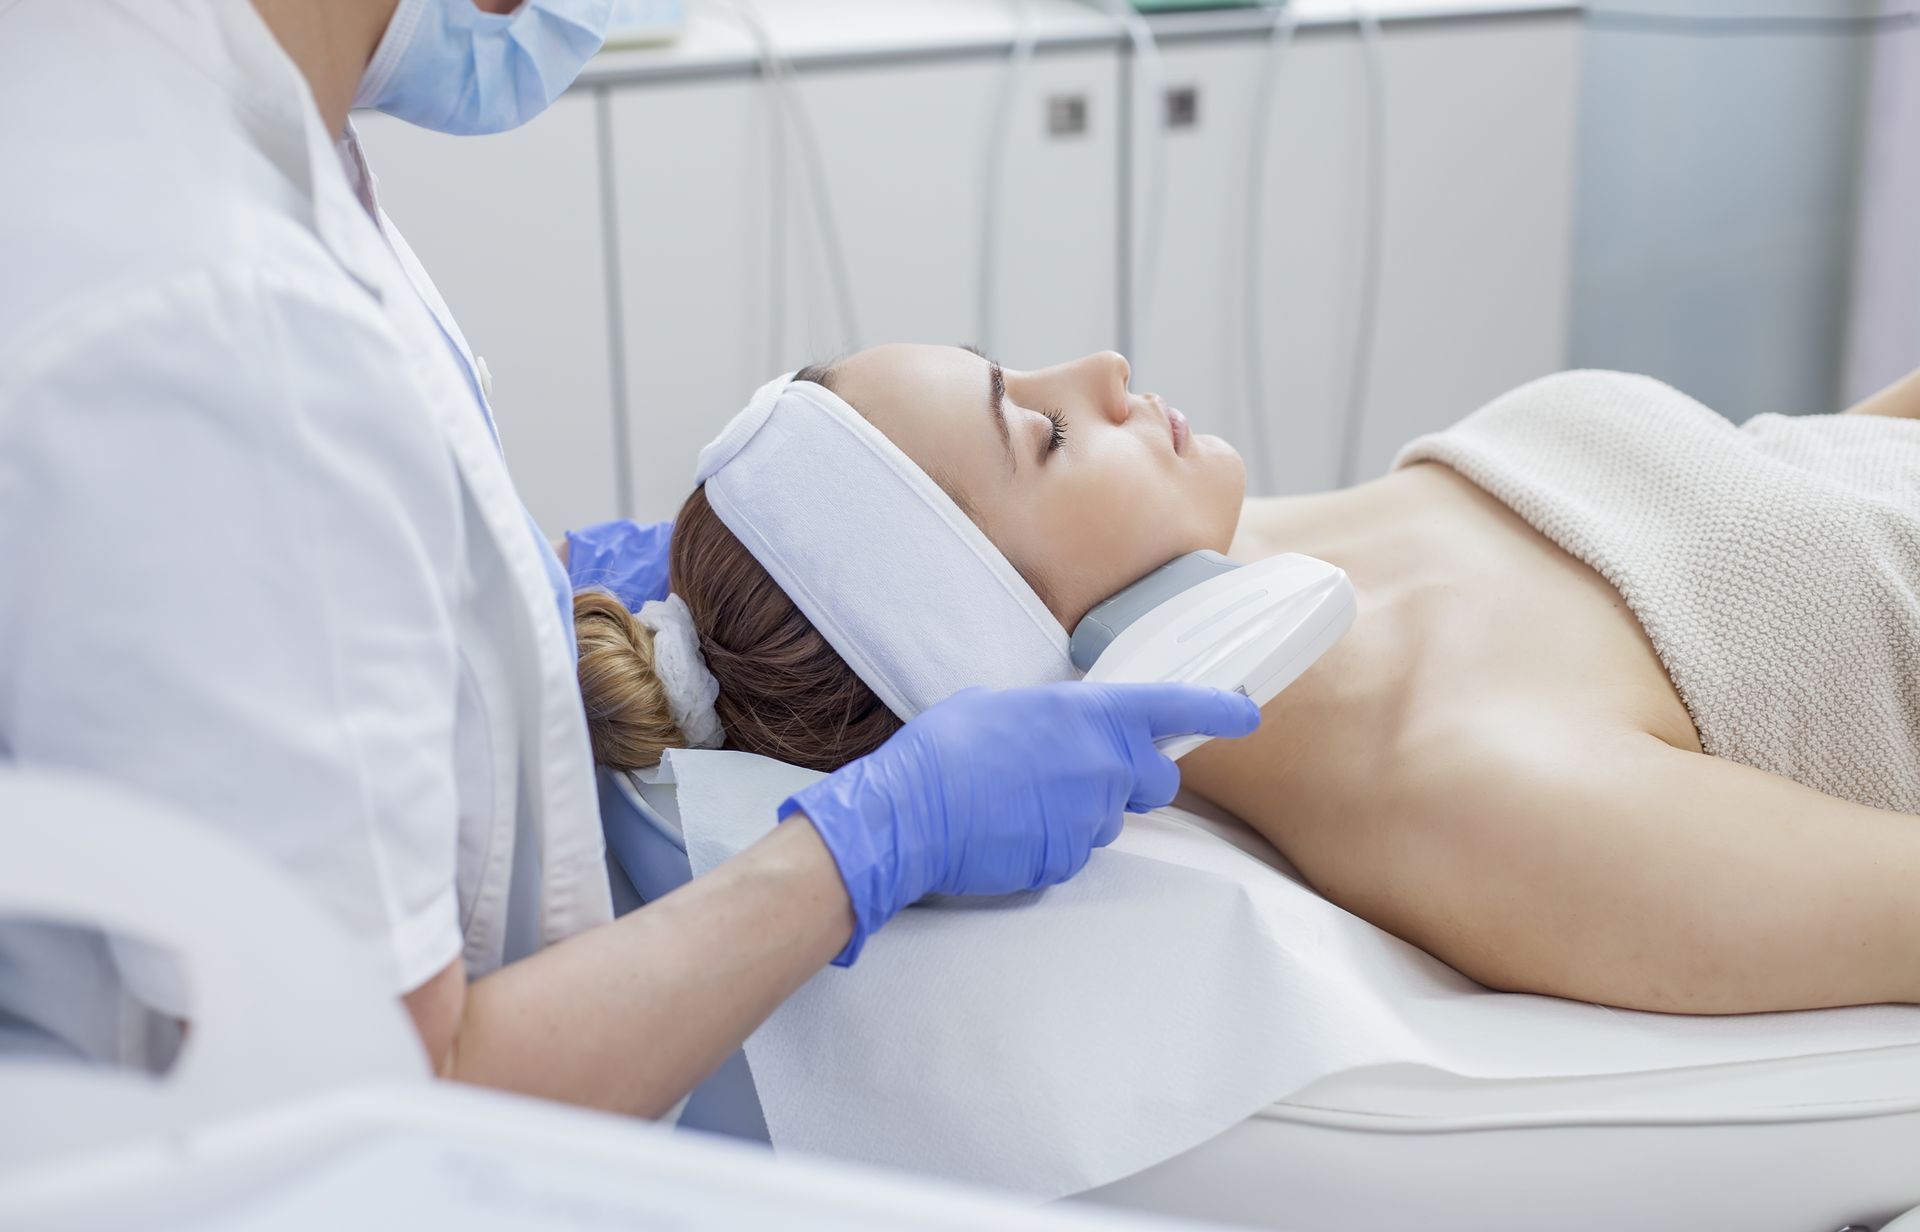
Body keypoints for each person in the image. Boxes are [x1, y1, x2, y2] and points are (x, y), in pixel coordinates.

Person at [0, 2, 1258, 1110]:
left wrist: (531, 597)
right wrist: (868, 841)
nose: (1109, 370)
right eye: (1036, 430)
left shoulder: (216, 128)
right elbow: (378, 1111)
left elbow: (313, 595)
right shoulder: (214, 320)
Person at [573, 343, 1920, 1018]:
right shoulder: (1473, 787)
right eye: (1040, 435)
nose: (1096, 368)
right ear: (1005, 634)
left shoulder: (1323, 528)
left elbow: (1797, 484)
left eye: (1013, 365)